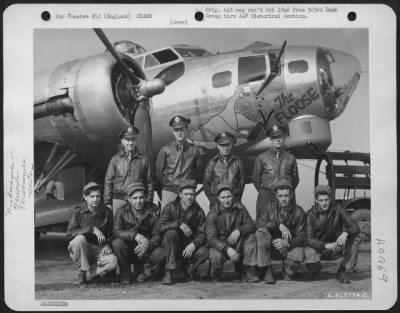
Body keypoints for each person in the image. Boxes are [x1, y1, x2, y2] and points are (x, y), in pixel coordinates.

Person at [305, 185, 361, 283]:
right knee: (309, 250)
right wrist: (325, 245)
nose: (324, 203)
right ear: (316, 201)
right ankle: (315, 269)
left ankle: (343, 271)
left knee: (356, 239)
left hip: (336, 246)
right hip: (319, 248)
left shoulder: (338, 210)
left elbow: (356, 228)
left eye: (326, 200)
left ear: (330, 199)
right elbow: (309, 239)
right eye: (321, 200)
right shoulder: (310, 215)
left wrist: (345, 233)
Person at [157, 179, 209, 285]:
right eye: (186, 194)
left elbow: (202, 233)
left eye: (192, 194)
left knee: (204, 252)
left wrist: (193, 244)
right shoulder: (170, 207)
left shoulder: (199, 211)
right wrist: (178, 223)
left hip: (188, 246)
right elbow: (160, 227)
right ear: (180, 194)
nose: (189, 197)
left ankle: (189, 270)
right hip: (172, 246)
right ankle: (169, 272)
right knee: (170, 233)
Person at [111, 182, 164, 284]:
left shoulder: (153, 211)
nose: (138, 201)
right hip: (129, 250)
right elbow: (116, 232)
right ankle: (125, 274)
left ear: (145, 198)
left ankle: (146, 272)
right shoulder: (121, 211)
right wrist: (135, 235)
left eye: (141, 197)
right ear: (129, 199)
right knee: (117, 243)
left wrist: (148, 244)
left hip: (145, 250)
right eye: (135, 198)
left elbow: (158, 235)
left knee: (161, 252)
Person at [255, 178, 306, 283]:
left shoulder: (299, 212)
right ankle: (267, 270)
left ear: (291, 195)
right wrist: (277, 224)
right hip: (273, 246)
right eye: (280, 196)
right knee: (261, 232)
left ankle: (289, 270)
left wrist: (287, 243)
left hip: (290, 246)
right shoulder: (270, 207)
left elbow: (302, 237)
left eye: (286, 195)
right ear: (276, 196)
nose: (283, 199)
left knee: (293, 268)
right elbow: (259, 223)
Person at [206, 184, 259, 283]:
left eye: (228, 197)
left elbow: (252, 226)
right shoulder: (212, 214)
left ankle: (247, 272)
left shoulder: (241, 208)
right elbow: (211, 239)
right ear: (218, 198)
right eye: (223, 197)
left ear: (233, 197)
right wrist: (227, 249)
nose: (226, 200)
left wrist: (239, 230)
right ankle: (215, 273)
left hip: (236, 243)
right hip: (219, 245)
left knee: (252, 238)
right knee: (216, 258)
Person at [66, 182, 118, 284]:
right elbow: (70, 232)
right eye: (92, 196)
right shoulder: (77, 211)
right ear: (85, 197)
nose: (95, 199)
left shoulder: (107, 212)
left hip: (99, 249)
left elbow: (113, 233)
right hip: (83, 248)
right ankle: (83, 272)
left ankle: (95, 271)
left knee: (113, 261)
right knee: (79, 239)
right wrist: (91, 229)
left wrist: (108, 244)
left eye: (98, 196)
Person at [104, 125, 154, 215]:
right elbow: (108, 182)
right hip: (119, 199)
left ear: (136, 141)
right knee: (118, 226)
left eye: (133, 139)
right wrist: (107, 202)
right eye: (128, 140)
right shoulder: (115, 159)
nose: (130, 143)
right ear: (122, 141)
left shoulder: (143, 159)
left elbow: (149, 182)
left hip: (137, 200)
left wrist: (149, 200)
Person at [252, 124, 299, 219]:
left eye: (280, 137)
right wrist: (264, 191)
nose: (278, 140)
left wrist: (286, 190)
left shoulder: (291, 158)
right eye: (274, 138)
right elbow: (255, 178)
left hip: (285, 194)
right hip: (267, 194)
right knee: (264, 223)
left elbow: (295, 179)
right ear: (270, 140)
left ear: (284, 138)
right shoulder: (261, 157)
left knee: (288, 222)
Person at [155, 115, 200, 210]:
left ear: (186, 130)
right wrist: (169, 184)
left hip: (187, 191)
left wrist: (189, 184)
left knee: (191, 219)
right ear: (173, 132)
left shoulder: (194, 150)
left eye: (181, 129)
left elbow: (197, 170)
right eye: (176, 130)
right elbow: (158, 172)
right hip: (170, 190)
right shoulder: (165, 150)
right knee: (166, 220)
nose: (179, 133)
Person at [203, 131, 245, 206]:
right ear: (218, 146)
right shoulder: (212, 163)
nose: (225, 148)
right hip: (217, 203)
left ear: (231, 145)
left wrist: (236, 199)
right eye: (222, 145)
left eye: (228, 145)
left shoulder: (238, 162)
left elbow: (241, 184)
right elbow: (206, 185)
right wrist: (213, 200)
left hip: (234, 202)